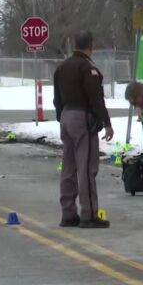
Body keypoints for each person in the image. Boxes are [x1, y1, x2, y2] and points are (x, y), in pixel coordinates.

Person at [53, 31, 114, 229]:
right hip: (82, 118)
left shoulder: (62, 67)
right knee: (87, 167)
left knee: (68, 167)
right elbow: (95, 98)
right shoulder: (88, 68)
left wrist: (61, 117)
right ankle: (89, 214)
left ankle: (68, 213)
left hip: (66, 116)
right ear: (91, 45)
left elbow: (57, 99)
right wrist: (106, 122)